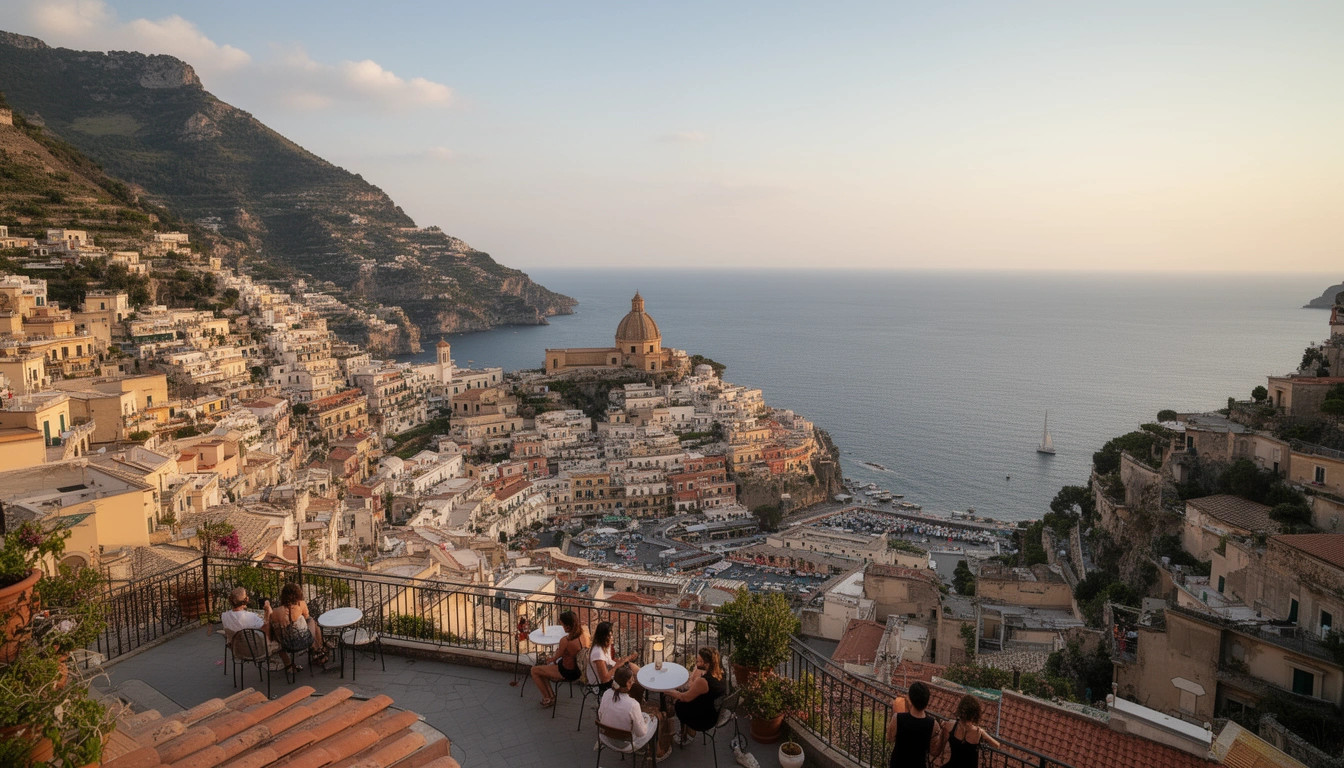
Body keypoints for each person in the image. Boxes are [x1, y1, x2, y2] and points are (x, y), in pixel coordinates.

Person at [596, 665, 670, 761]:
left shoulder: (606, 694)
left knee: (637, 718)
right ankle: (657, 752)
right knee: (655, 718)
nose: (633, 681)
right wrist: (646, 719)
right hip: (625, 744)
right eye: (632, 680)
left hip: (606, 738)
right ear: (627, 683)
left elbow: (600, 714)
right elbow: (641, 733)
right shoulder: (632, 704)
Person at [662, 647, 726, 744]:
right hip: (712, 712)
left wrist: (669, 691)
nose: (696, 662)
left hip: (703, 719)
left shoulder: (703, 681)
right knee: (679, 694)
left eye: (699, 661)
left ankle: (676, 733)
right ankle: (687, 732)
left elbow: (684, 697)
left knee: (672, 700)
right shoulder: (721, 673)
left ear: (706, 663)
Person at [265, 582, 329, 671]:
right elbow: (307, 616)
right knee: (312, 621)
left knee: (277, 635)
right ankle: (319, 652)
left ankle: (289, 665)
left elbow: (271, 631)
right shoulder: (301, 604)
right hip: (304, 641)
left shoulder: (275, 612)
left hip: (285, 644)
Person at [530, 610, 587, 706]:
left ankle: (547, 697)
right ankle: (551, 696)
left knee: (534, 670)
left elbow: (555, 658)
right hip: (580, 670)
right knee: (543, 669)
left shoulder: (565, 640)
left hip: (567, 672)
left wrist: (552, 658)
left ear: (567, 626)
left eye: (562, 624)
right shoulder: (585, 635)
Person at [933, 694, 1001, 768]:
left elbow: (937, 750)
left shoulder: (950, 725)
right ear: (974, 714)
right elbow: (997, 745)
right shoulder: (978, 732)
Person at [884, 681, 940, 768]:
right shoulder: (933, 724)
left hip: (898, 763)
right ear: (927, 701)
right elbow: (934, 751)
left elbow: (889, 739)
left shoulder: (898, 718)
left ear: (910, 699)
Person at [590, 621, 641, 693]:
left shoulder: (605, 646)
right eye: (611, 635)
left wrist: (626, 659)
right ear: (605, 637)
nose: (612, 637)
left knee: (632, 668)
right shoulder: (598, 653)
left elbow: (609, 661)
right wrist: (618, 665)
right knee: (633, 682)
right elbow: (604, 679)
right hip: (601, 685)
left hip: (611, 675)